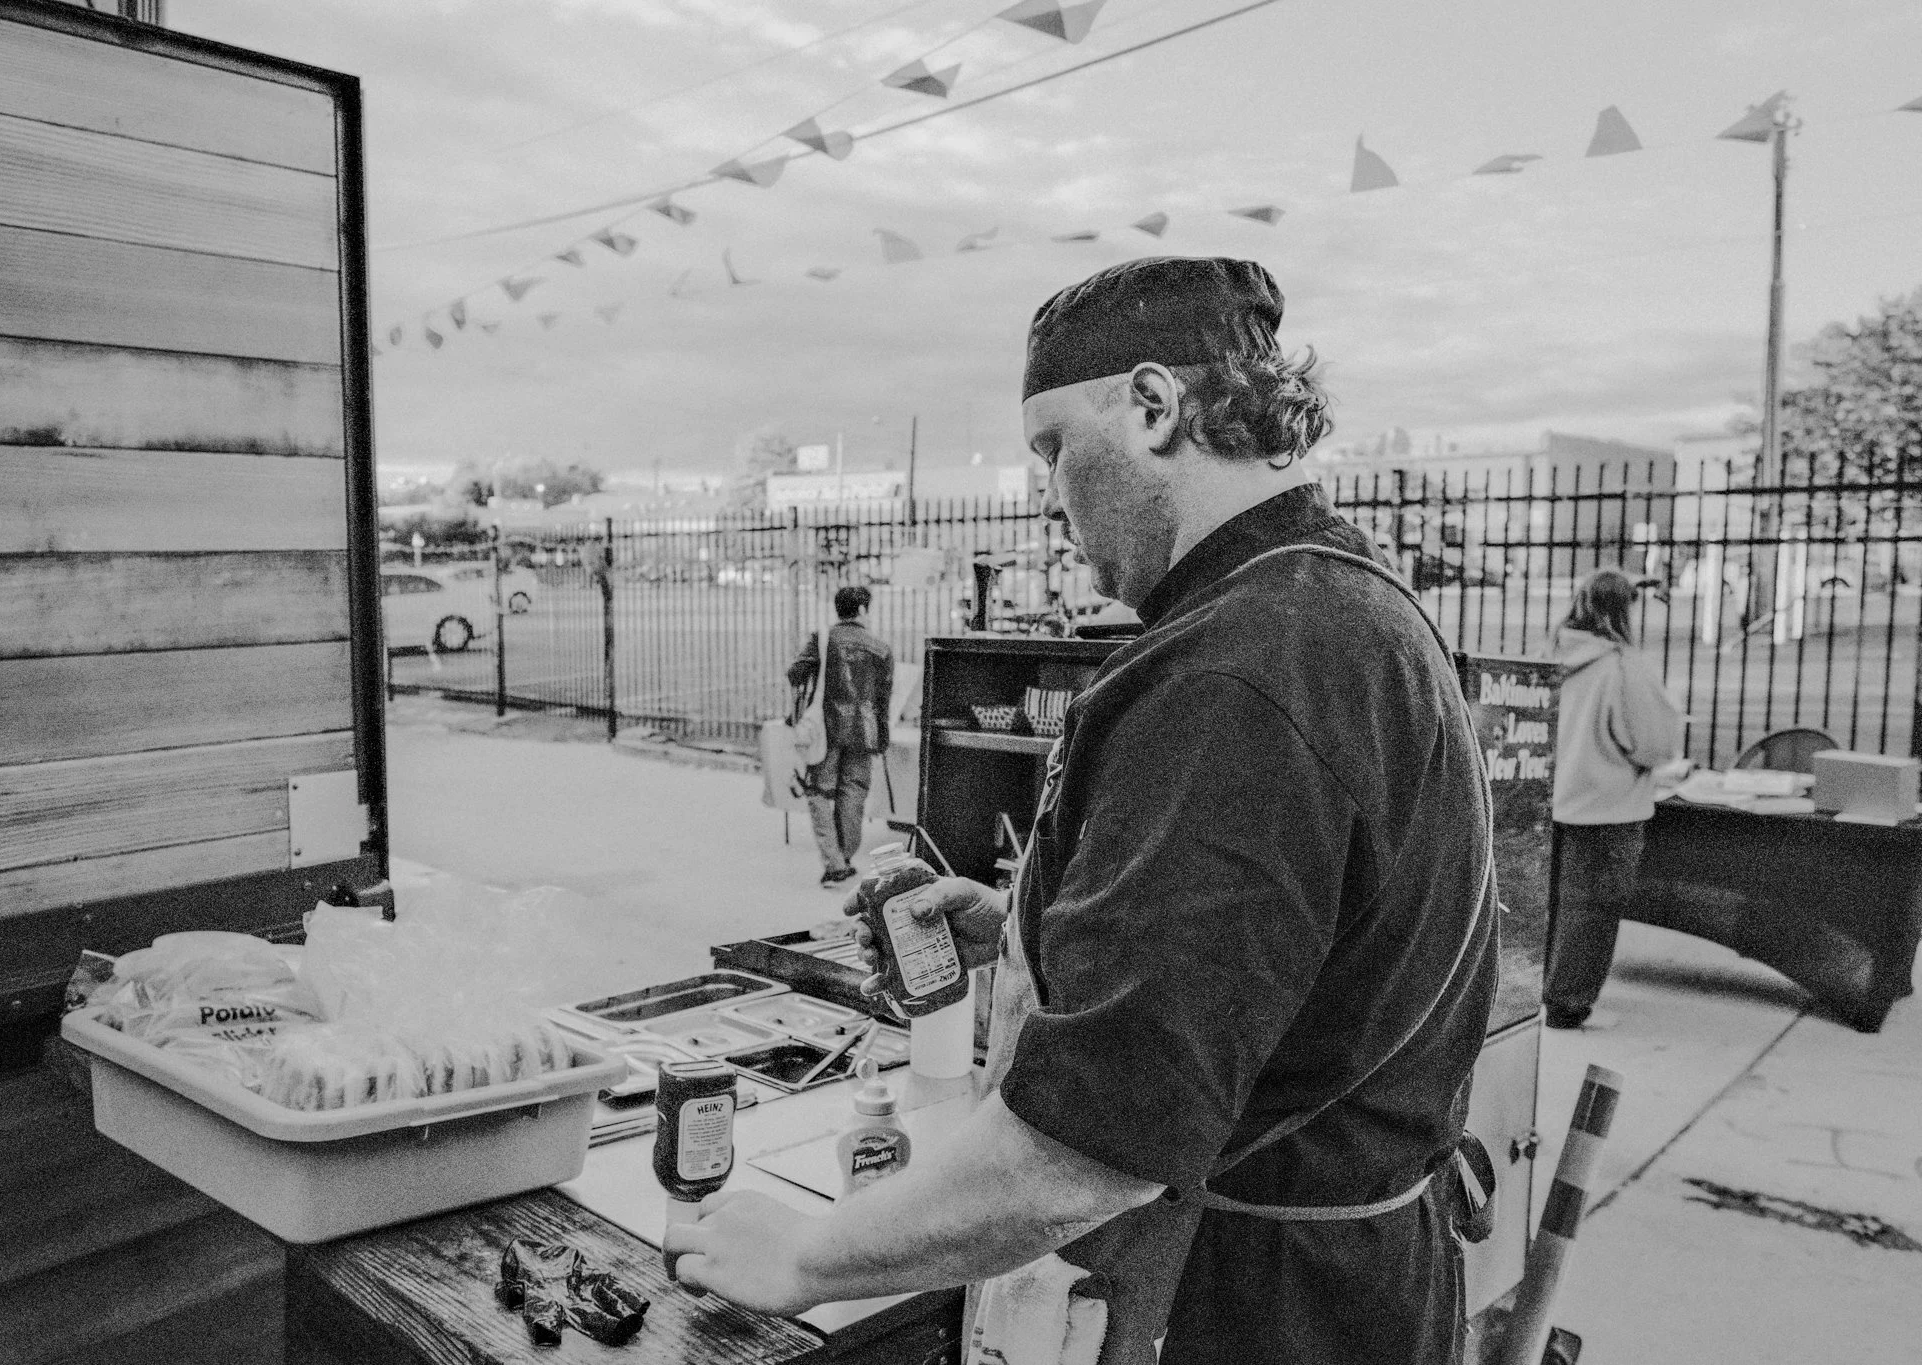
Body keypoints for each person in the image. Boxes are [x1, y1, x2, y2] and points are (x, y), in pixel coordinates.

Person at [666, 256, 1498, 1365]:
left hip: (1255, 1314)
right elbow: (1274, 945)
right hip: (1346, 1283)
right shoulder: (1334, 597)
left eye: (1054, 449)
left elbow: (1087, 1148)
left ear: (1153, 407)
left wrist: (810, 1255)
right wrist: (1028, 924)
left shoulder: (1236, 673)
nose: (1046, 497)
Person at [1543, 568, 1683, 1030]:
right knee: (1592, 911)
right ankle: (1568, 1003)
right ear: (1623, 610)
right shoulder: (1624, 665)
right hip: (1608, 807)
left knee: (1551, 906)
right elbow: (1655, 745)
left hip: (1551, 803)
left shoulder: (1551, 655)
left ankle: (1539, 990)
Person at [786, 585, 894, 888]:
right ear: (862, 610)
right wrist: (881, 738)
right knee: (854, 793)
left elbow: (794, 673)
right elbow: (884, 700)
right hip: (865, 732)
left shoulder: (822, 640)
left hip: (825, 729)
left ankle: (834, 864)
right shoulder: (880, 647)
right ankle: (844, 859)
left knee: (819, 792)